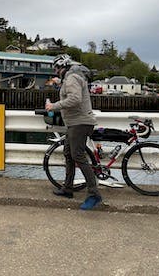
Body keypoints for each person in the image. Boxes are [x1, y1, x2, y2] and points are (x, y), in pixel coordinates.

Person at [45, 54, 102, 210]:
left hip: (80, 123)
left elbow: (75, 99)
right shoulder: (71, 78)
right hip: (75, 123)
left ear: (62, 67)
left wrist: (53, 106)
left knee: (78, 156)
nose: (55, 71)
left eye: (56, 68)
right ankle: (68, 188)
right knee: (68, 153)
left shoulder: (72, 78)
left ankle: (94, 194)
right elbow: (71, 94)